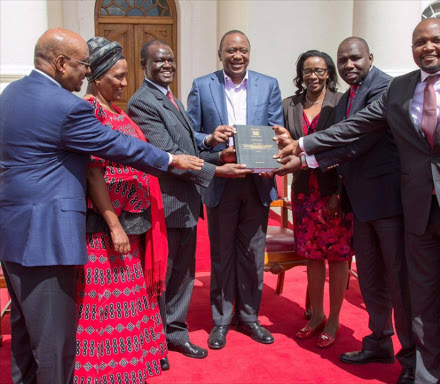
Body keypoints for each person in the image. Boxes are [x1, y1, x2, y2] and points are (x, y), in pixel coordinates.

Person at [275, 18, 440, 384]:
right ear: (411, 47)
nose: (428, 48)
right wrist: (305, 146)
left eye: (437, 40)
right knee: (421, 305)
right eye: (420, 42)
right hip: (416, 213)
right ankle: (426, 376)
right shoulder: (400, 89)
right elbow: (359, 126)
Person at [0, 28, 203, 384]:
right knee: (53, 346)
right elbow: (118, 147)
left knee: (24, 338)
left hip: (13, 234)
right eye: (81, 65)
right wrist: (171, 159)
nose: (85, 73)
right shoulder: (68, 107)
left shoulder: (11, 93)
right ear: (60, 63)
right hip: (47, 242)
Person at [127, 40, 251, 362]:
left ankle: (176, 334)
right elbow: (169, 157)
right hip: (165, 206)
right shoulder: (143, 102)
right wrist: (218, 170)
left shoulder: (172, 98)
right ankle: (154, 344)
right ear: (144, 65)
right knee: (162, 279)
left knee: (183, 276)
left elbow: (190, 152)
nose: (167, 66)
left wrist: (214, 151)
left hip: (185, 206)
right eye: (159, 61)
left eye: (170, 60)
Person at [312, 38, 415, 383]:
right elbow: (343, 145)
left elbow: (358, 140)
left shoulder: (386, 88)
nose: (348, 65)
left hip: (389, 205)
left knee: (399, 283)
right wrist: (338, 191)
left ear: (370, 57)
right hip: (361, 204)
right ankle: (379, 341)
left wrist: (305, 155)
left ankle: (413, 360)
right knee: (370, 279)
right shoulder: (346, 98)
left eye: (355, 58)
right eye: (342, 60)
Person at [74, 37, 168, 383]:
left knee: (130, 300)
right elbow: (93, 172)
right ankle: (103, 373)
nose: (125, 83)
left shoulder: (116, 110)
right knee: (104, 305)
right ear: (96, 77)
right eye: (117, 76)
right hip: (104, 231)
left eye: (126, 75)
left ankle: (131, 367)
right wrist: (113, 225)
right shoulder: (90, 110)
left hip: (131, 224)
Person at [187, 30, 283, 350]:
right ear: (220, 54)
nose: (237, 56)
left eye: (242, 50)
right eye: (231, 51)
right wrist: (210, 139)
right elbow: (192, 134)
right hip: (222, 181)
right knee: (222, 254)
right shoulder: (203, 86)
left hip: (257, 183)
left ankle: (250, 316)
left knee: (253, 255)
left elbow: (274, 130)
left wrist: (271, 159)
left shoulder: (268, 85)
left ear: (249, 53)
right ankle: (221, 320)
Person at [282, 50, 353, 348]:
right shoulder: (290, 104)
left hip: (334, 192)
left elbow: (348, 147)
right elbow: (286, 142)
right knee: (312, 256)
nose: (313, 76)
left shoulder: (342, 102)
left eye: (320, 70)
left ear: (329, 73)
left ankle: (335, 318)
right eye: (308, 70)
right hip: (303, 193)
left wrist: (338, 193)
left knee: (338, 257)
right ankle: (317, 315)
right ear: (301, 73)